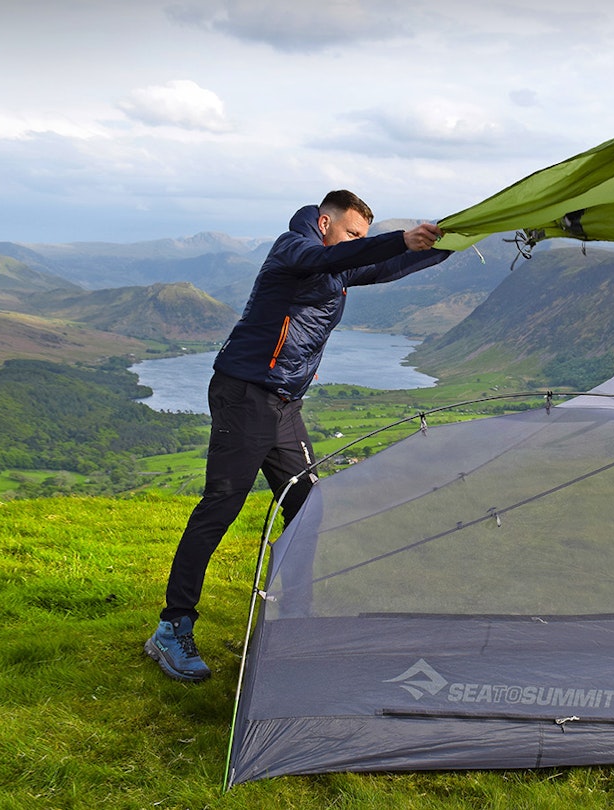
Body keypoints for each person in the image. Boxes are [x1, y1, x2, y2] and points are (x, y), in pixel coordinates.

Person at [145, 190, 448, 682]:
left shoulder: (337, 261)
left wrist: (441, 245)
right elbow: (336, 257)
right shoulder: (294, 248)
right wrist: (397, 238)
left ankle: (292, 620)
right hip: (245, 394)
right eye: (352, 232)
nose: (357, 242)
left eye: (362, 236)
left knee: (308, 507)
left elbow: (385, 267)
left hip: (284, 403)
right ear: (325, 223)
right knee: (220, 506)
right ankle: (172, 626)